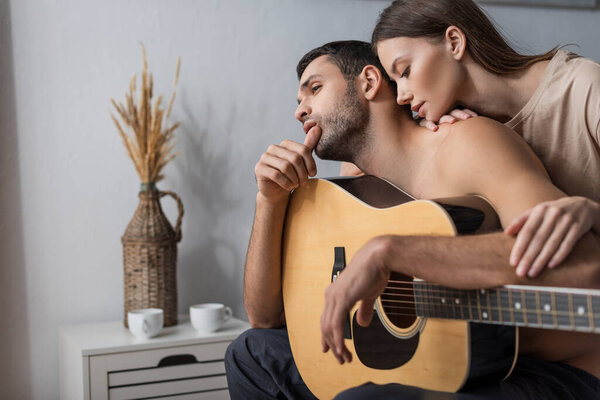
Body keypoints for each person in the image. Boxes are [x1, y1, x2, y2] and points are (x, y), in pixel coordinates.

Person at [225, 40, 600, 400]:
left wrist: (391, 252)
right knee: (250, 355)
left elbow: (580, 266)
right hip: (440, 364)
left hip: (541, 370)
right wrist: (269, 200)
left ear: (370, 83)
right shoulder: (352, 183)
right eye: (299, 100)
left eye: (314, 89)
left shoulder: (468, 143)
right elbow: (263, 318)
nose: (299, 111)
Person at [366, 0, 600, 279]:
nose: (402, 95)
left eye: (405, 72)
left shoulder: (585, 87)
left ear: (454, 42)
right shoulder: (466, 132)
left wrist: (591, 212)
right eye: (395, 82)